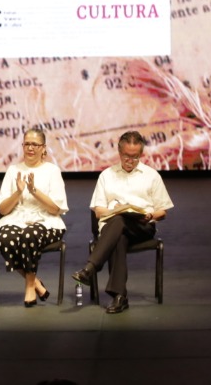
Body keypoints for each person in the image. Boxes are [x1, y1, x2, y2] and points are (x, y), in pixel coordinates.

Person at [72, 131, 173, 313]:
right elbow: (98, 211)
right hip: (114, 228)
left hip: (141, 226)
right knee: (119, 231)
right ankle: (120, 297)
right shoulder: (106, 175)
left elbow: (163, 212)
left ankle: (90, 268)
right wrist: (116, 211)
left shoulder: (151, 175)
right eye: (127, 156)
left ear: (141, 154)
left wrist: (149, 215)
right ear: (119, 152)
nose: (130, 160)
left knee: (119, 221)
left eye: (135, 157)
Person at [0, 128, 68, 306]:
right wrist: (18, 192)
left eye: (35, 144)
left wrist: (34, 191)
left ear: (43, 148)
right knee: (5, 239)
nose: (30, 148)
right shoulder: (13, 170)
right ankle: (36, 283)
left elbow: (55, 209)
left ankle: (29, 287)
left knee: (29, 235)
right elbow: (3, 209)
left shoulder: (52, 171)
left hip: (47, 222)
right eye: (27, 144)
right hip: (17, 219)